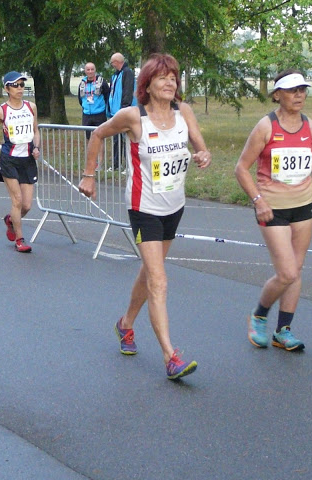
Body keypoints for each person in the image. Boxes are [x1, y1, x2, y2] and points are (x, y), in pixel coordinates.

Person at [79, 53, 212, 380]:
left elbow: (199, 143)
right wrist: (88, 175)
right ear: (148, 84)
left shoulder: (185, 112)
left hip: (174, 206)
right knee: (159, 280)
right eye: (163, 77)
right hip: (144, 208)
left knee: (149, 273)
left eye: (174, 77)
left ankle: (125, 324)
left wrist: (203, 153)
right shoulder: (133, 117)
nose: (171, 83)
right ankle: (171, 356)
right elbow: (97, 135)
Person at [234, 69, 312, 352]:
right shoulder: (266, 127)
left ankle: (283, 331)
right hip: (272, 208)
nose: (299, 95)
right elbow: (241, 168)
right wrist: (258, 201)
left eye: (302, 90)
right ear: (277, 94)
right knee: (287, 272)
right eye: (292, 90)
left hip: (303, 205)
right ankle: (259, 315)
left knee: (297, 269)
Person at [0, 71, 40, 253]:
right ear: (7, 88)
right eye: (15, 85)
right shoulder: (1, 111)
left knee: (27, 205)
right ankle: (20, 239)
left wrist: (36, 147)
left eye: (22, 85)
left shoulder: (31, 107)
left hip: (28, 159)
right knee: (17, 200)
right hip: (9, 159)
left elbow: (36, 131)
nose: (20, 88)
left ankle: (10, 220)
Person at [107, 52, 136, 171]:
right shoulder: (115, 75)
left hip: (123, 112)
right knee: (116, 140)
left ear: (118, 62)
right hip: (115, 113)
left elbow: (128, 92)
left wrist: (124, 109)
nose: (112, 65)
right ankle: (116, 164)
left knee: (126, 139)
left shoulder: (127, 73)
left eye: (112, 62)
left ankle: (128, 166)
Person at [78, 62, 110, 140]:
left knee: (100, 138)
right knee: (88, 138)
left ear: (95, 70)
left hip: (99, 114)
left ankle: (101, 153)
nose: (90, 71)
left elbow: (107, 96)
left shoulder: (102, 82)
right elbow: (80, 99)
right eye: (88, 69)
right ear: (85, 71)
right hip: (86, 115)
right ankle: (90, 152)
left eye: (92, 69)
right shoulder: (82, 83)